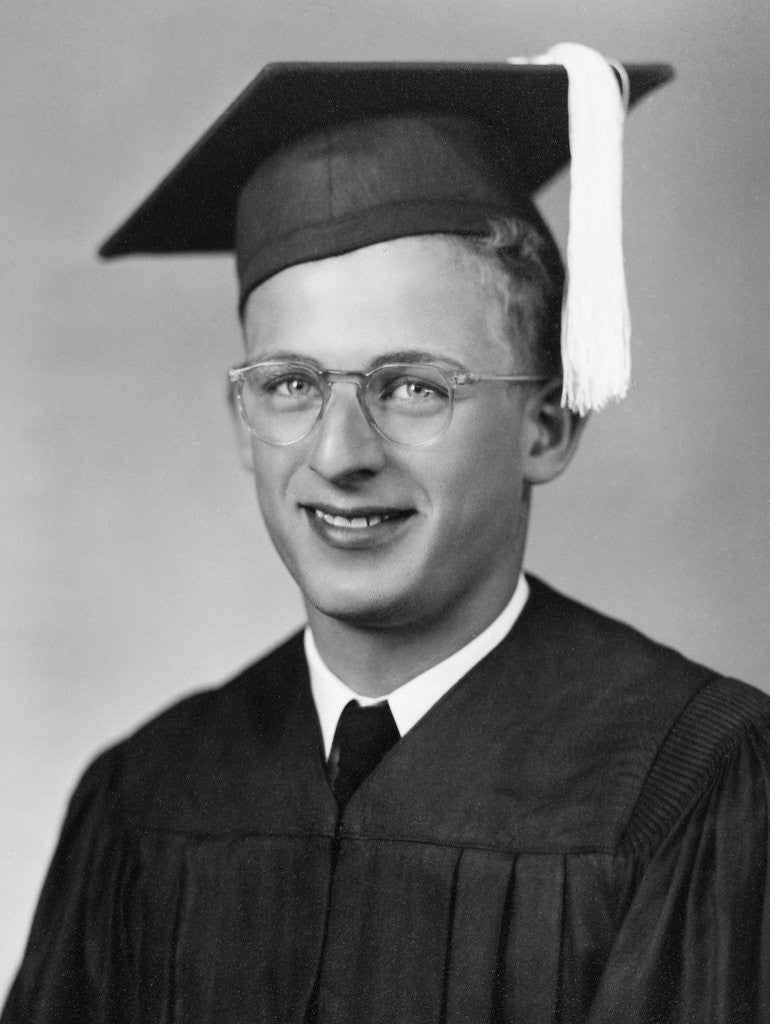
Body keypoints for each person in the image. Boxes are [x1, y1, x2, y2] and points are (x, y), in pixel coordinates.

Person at [3, 46, 769, 1024]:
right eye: (289, 383)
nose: (339, 450)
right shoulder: (143, 796)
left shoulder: (687, 785)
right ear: (242, 423)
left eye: (412, 387)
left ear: (547, 426)